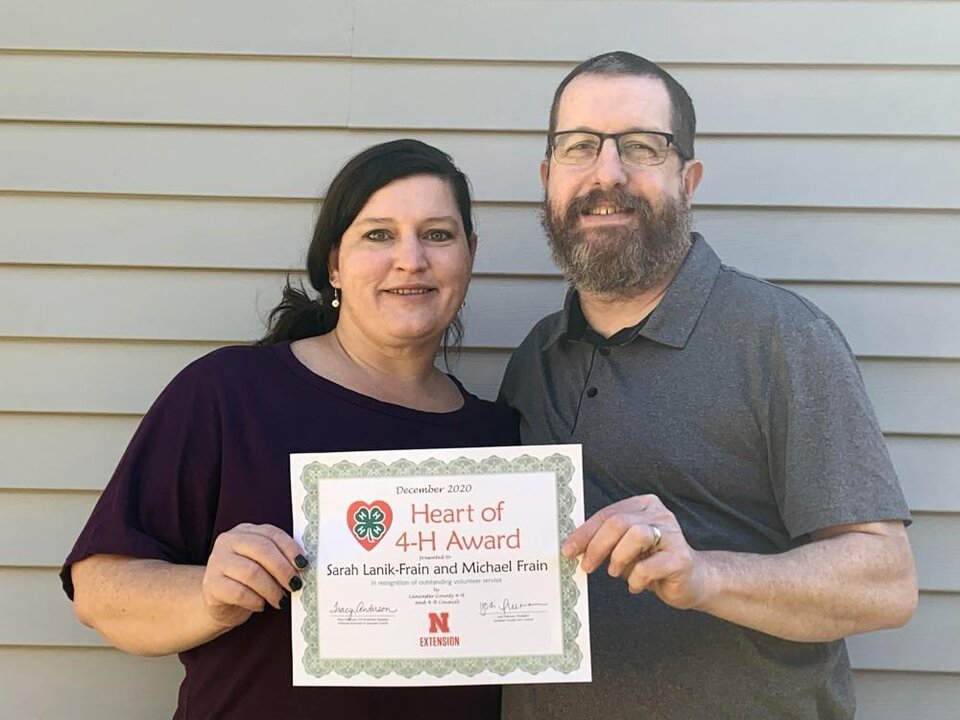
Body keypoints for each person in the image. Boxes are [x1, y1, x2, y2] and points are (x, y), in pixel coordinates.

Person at [498, 52, 917, 719]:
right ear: (549, 179)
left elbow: (885, 583)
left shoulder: (780, 338)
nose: (607, 174)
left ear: (687, 180)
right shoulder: (535, 359)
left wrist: (704, 575)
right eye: (579, 148)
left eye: (641, 146)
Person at [62, 139, 518, 719]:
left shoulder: (499, 440)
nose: (411, 259)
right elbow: (100, 592)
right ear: (334, 263)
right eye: (378, 234)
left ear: (469, 255)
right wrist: (211, 595)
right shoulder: (229, 393)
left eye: (437, 234)